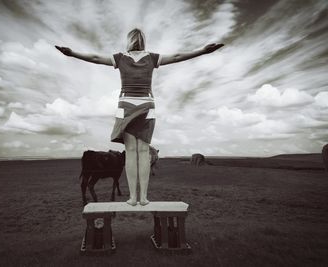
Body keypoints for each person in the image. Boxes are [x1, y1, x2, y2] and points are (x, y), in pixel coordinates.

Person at [56, 28, 223, 206]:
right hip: (146, 105)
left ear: (129, 40)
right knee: (143, 153)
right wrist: (202, 51)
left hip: (126, 105)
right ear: (144, 40)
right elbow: (176, 57)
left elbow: (96, 58)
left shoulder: (121, 57)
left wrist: (73, 53)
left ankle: (133, 198)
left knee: (131, 153)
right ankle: (142, 197)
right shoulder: (150, 57)